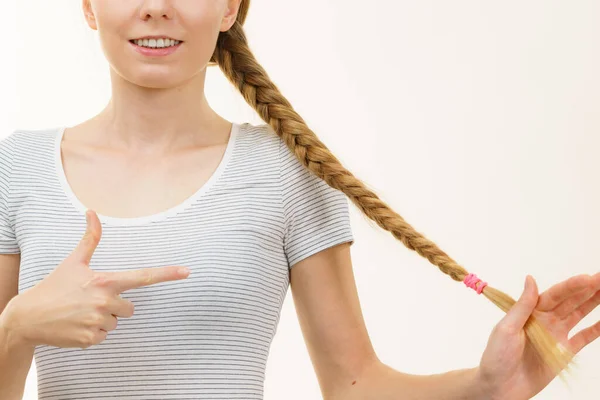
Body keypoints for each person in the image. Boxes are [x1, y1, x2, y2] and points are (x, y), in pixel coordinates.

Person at [0, 1, 598, 399]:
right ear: (86, 4)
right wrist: (17, 327)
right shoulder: (18, 168)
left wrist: (486, 386)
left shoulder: (285, 171)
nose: (157, 6)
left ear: (230, 6)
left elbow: (354, 383)